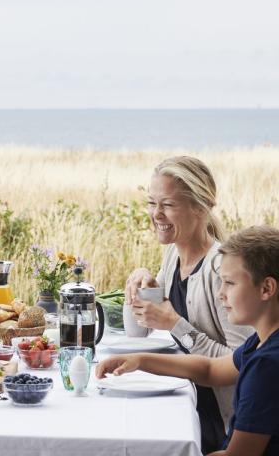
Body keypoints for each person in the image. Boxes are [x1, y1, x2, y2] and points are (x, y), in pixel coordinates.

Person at [98, 225, 279, 456]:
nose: (220, 293)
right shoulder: (261, 342)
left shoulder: (267, 366)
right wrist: (139, 360)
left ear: (266, 288)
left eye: (230, 283)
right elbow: (210, 369)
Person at [124, 156, 252, 453]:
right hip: (181, 402)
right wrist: (143, 280)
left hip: (219, 424)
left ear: (201, 207)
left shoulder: (222, 269)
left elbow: (241, 363)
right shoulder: (173, 256)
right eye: (151, 203)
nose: (156, 214)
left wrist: (174, 324)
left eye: (167, 205)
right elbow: (152, 319)